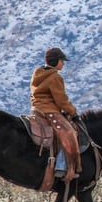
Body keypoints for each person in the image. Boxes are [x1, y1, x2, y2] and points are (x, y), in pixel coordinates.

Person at [30, 47, 81, 182]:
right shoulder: (55, 77)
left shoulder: (37, 74)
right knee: (69, 132)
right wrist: (72, 111)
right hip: (49, 111)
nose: (63, 64)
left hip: (37, 109)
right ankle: (62, 166)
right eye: (62, 61)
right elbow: (61, 99)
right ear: (57, 61)